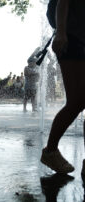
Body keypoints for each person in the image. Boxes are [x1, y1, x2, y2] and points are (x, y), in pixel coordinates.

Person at [40, 0, 85, 174]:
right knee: (77, 101)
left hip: (80, 40)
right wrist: (61, 32)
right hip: (71, 40)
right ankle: (50, 151)